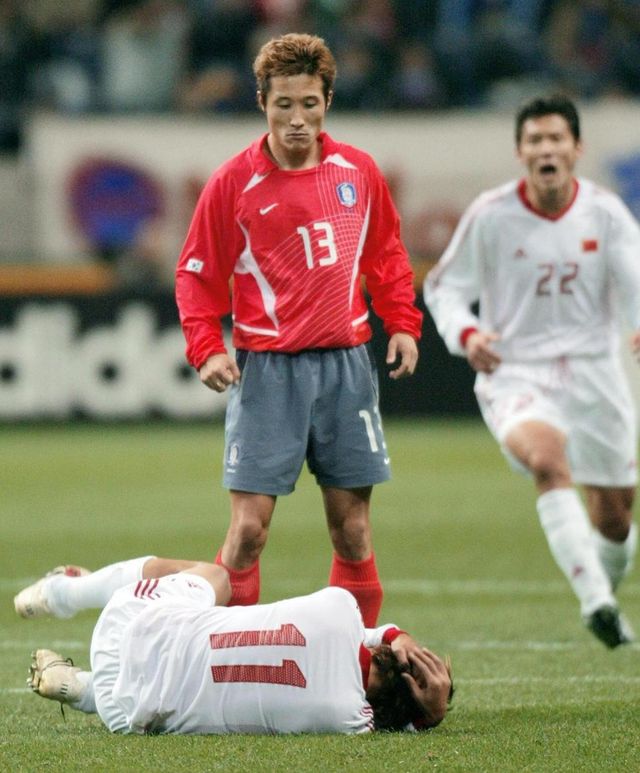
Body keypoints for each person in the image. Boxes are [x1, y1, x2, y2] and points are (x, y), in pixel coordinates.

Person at [174, 33, 423, 626]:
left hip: (345, 368)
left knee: (352, 530)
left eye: (309, 104)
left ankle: (355, 662)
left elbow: (386, 254)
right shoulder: (233, 183)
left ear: (327, 101)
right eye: (283, 104)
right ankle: (223, 657)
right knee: (249, 531)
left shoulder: (358, 171)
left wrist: (403, 323)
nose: (296, 120)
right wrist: (206, 347)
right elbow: (196, 274)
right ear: (262, 101)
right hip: (269, 374)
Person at [425, 94, 640, 648]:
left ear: (576, 148)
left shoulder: (605, 213)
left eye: (556, 138)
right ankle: (595, 602)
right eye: (535, 140)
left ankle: (602, 590)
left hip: (595, 373)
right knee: (547, 459)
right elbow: (444, 287)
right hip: (516, 369)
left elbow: (634, 277)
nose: (546, 149)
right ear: (520, 152)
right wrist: (467, 335)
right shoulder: (492, 214)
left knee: (616, 518)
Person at [14, 559, 453, 734]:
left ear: (398, 656)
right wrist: (426, 716)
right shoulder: (344, 719)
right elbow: (390, 723)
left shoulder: (341, 608)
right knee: (184, 689)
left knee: (218, 578)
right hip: (125, 714)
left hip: (125, 627)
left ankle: (63, 592)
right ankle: (83, 689)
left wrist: (399, 636)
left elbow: (376, 634)